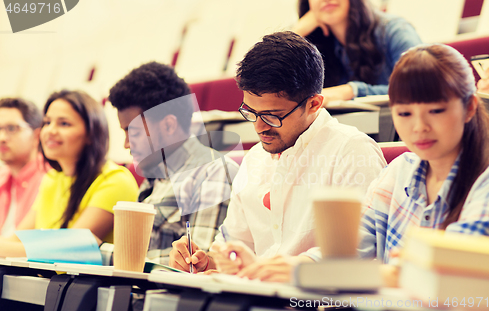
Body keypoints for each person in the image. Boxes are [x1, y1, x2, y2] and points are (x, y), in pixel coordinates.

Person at [169, 31, 386, 275]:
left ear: (314, 104)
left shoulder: (352, 152)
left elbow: (361, 248)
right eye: (250, 112)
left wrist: (294, 270)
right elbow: (234, 249)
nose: (259, 127)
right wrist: (207, 262)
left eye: (272, 116)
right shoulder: (255, 159)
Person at [358, 44, 489, 276]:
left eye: (436, 111)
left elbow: (452, 274)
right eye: (404, 113)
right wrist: (302, 266)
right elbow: (350, 247)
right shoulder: (398, 170)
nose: (419, 127)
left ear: (469, 107)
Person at [105, 62, 239, 265]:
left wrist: (110, 256)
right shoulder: (155, 175)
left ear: (169, 125)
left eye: (133, 132)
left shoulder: (213, 172)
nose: (126, 144)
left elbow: (196, 264)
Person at [0, 90, 139, 257]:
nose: (50, 130)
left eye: (64, 124)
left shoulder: (115, 180)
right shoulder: (51, 179)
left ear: (90, 133)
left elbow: (69, 250)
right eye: (47, 122)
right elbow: (17, 240)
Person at [293, 0, 422, 102]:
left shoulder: (395, 31)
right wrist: (295, 33)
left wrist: (351, 91)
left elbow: (419, 87)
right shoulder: (318, 44)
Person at [0, 98, 46, 237]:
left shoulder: (51, 178)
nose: (2, 137)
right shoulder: (3, 176)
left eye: (12, 128)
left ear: (36, 135)